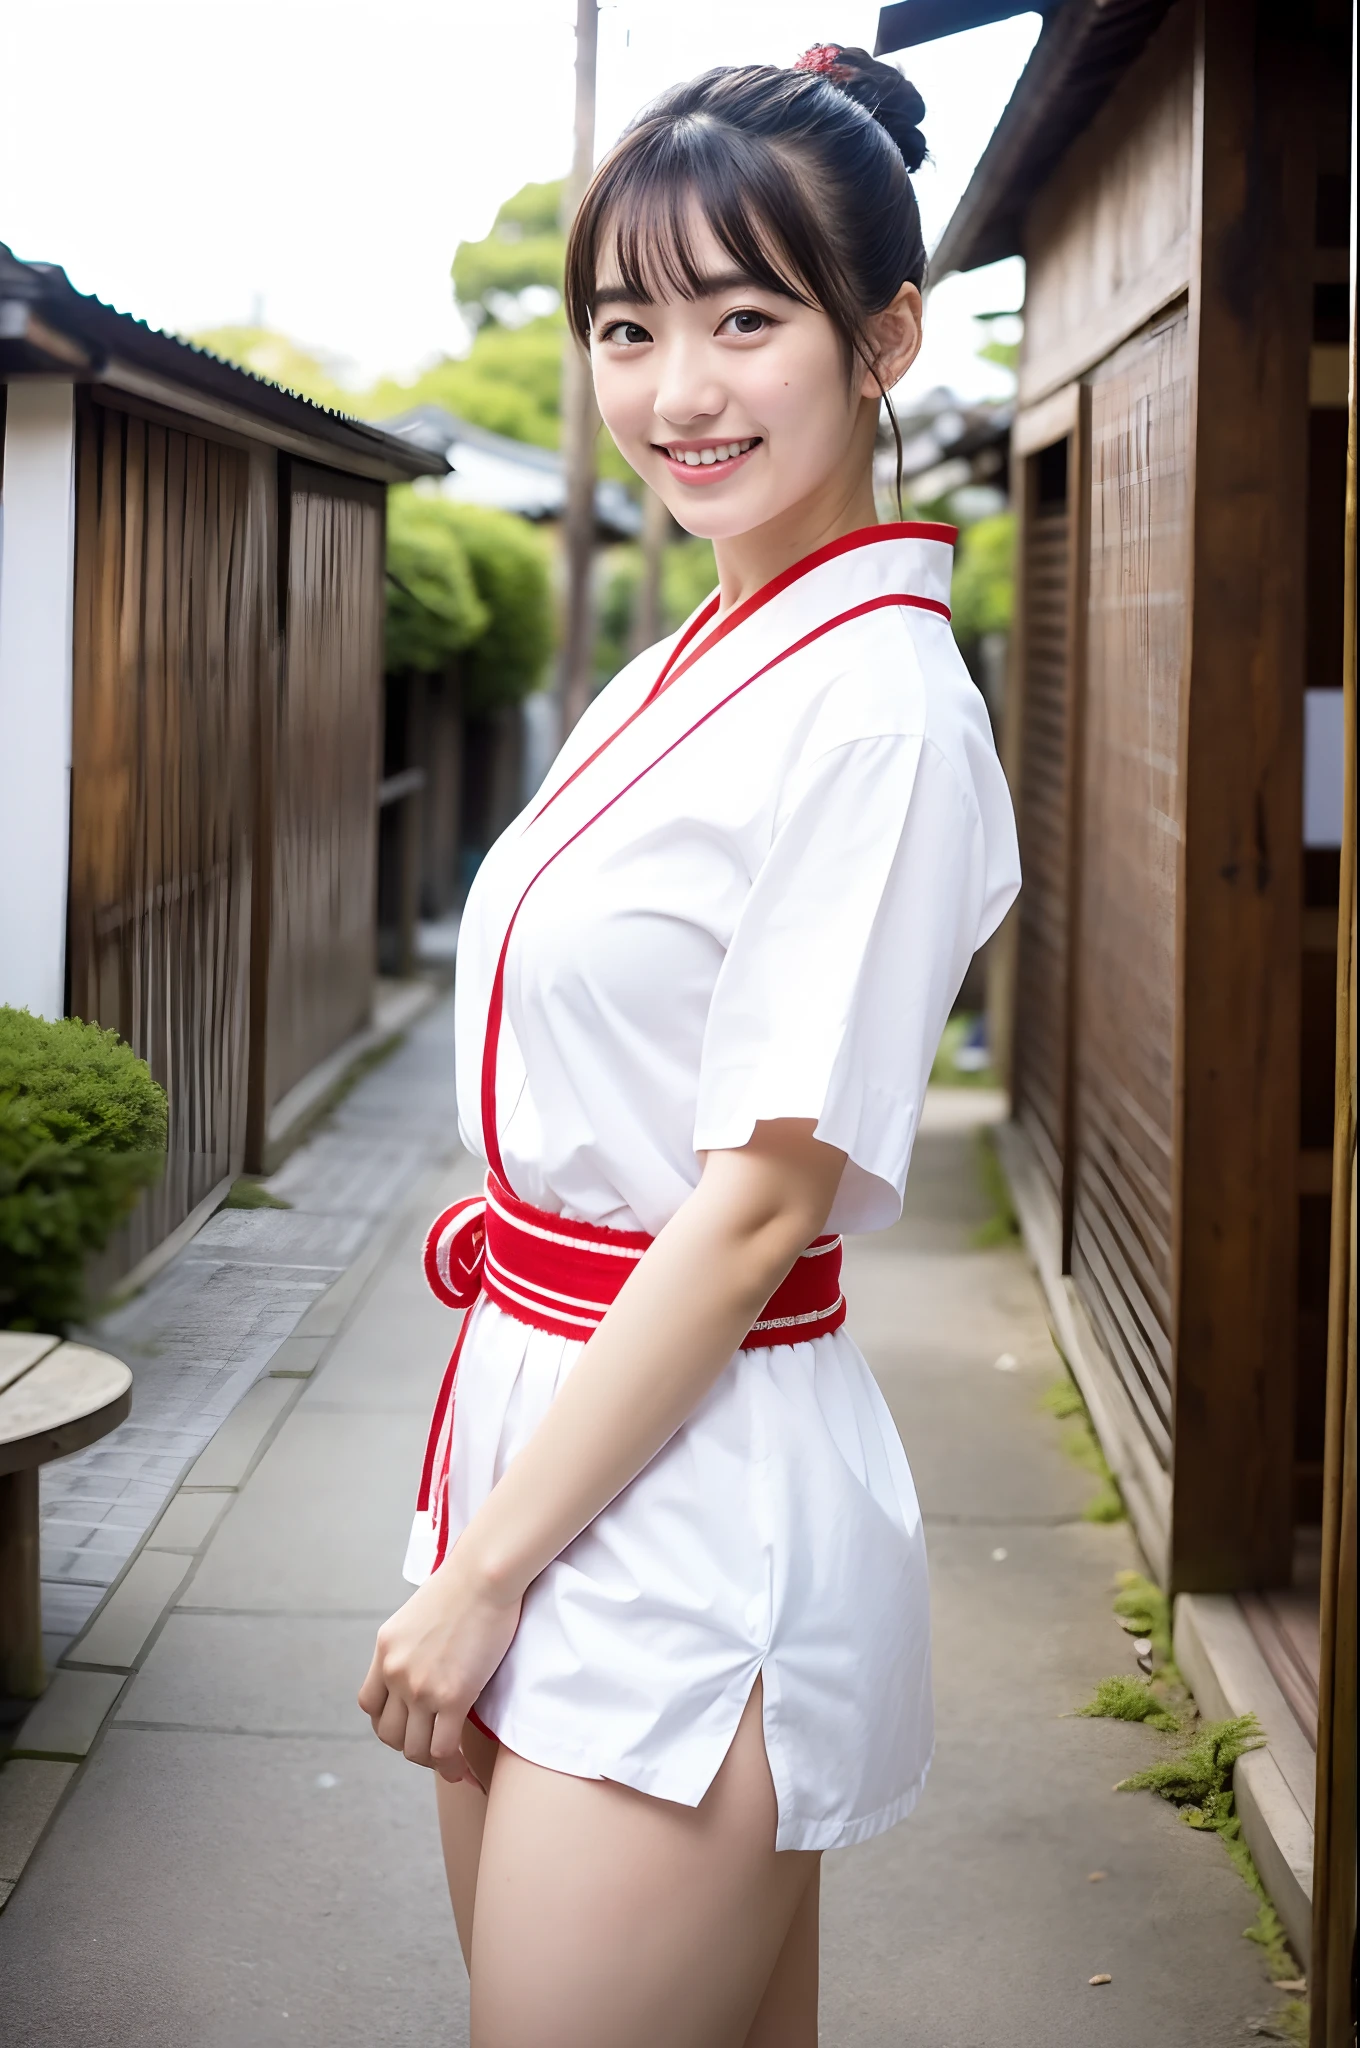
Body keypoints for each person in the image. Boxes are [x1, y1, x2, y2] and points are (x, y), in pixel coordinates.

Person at [359, 44, 1019, 2048]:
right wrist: (480, 1539)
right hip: (549, 1430)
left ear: (881, 336)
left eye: (746, 319)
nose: (677, 389)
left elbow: (750, 1214)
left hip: (689, 1501)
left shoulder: (880, 710)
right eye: (627, 326)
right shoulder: (686, 662)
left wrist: (485, 1578)